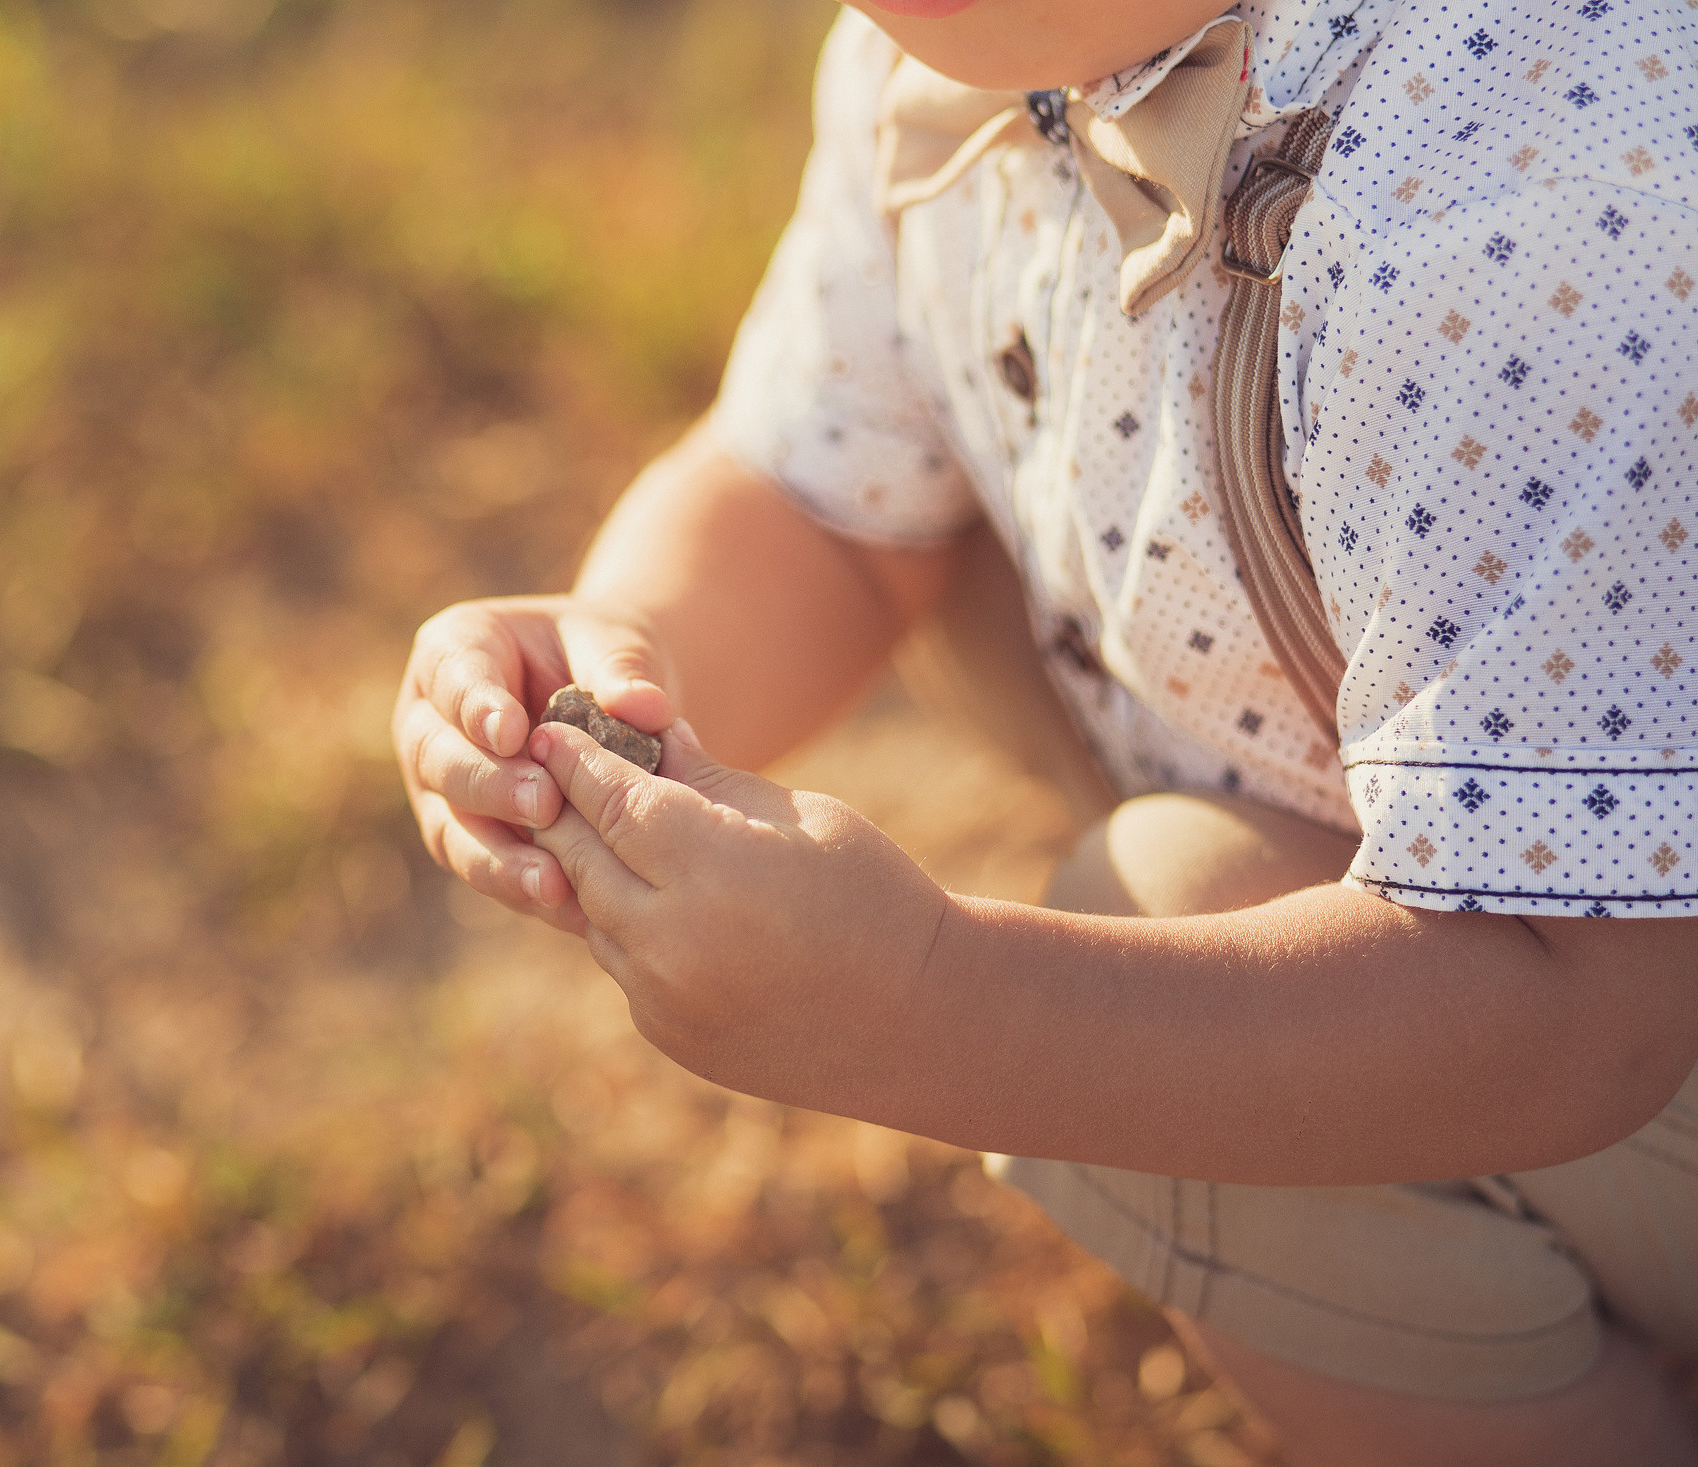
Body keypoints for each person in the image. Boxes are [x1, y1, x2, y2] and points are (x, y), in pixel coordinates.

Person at [393, 0, 1698, 1460]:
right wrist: (618, 672)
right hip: (1471, 874)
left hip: (1608, 981)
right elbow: (819, 501)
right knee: (950, 536)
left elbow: (1580, 1010)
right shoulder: (966, 49)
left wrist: (937, 1009)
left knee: (1167, 915)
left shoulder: (1530, 222)